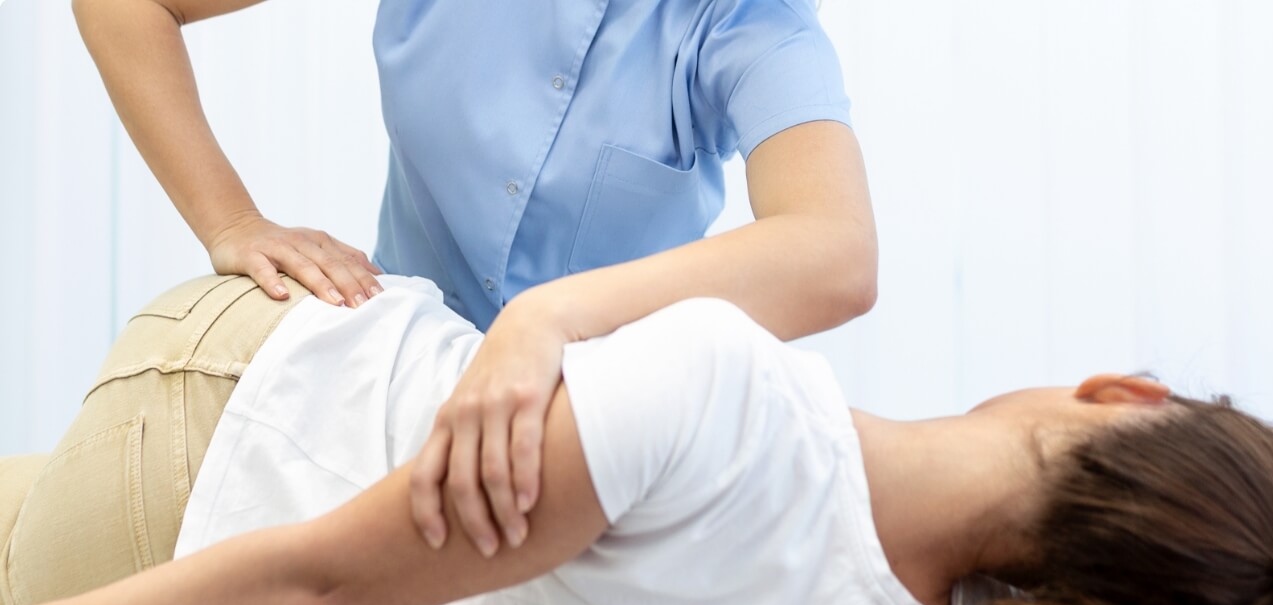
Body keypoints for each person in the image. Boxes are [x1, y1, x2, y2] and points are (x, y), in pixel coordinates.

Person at [0, 275, 1273, 605]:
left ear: (1123, 394)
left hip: (224, 416)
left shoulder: (726, 396)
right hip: (204, 456)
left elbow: (314, 589)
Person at [72, 0, 881, 569]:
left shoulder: (745, 22)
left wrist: (549, 320)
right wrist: (232, 221)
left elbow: (836, 251)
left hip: (559, 464)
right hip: (355, 402)